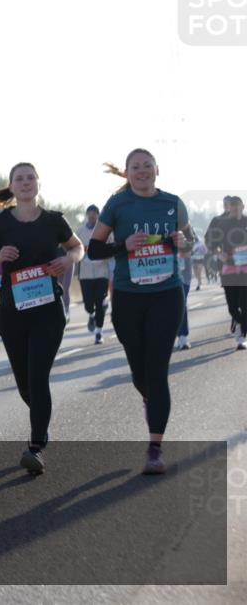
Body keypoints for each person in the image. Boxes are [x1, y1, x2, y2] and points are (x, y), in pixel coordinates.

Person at [0, 162, 83, 475]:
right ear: (12, 186)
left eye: (30, 177)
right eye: (19, 179)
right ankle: (41, 421)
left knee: (37, 376)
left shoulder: (53, 220)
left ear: (38, 184)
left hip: (48, 310)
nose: (26, 182)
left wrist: (66, 258)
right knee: (24, 385)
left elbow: (78, 247)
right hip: (12, 314)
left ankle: (36, 446)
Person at [87, 149, 195, 474]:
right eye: (136, 167)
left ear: (157, 170)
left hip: (166, 294)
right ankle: (148, 396)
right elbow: (94, 249)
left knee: (158, 369)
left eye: (148, 166)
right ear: (128, 173)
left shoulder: (174, 202)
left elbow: (191, 242)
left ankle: (154, 448)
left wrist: (182, 241)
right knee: (140, 371)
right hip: (129, 297)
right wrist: (123, 246)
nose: (142, 171)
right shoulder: (117, 204)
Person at [204, 195, 247, 350]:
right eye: (231, 207)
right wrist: (218, 253)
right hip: (228, 268)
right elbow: (209, 242)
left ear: (243, 206)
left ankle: (242, 335)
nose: (235, 210)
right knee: (232, 306)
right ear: (228, 207)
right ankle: (240, 321)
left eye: (238, 207)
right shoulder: (220, 223)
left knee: (244, 303)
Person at [75, 205, 113, 345]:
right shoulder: (80, 231)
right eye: (89, 216)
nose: (92, 218)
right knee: (88, 304)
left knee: (99, 301)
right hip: (85, 273)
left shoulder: (104, 231)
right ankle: (91, 315)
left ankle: (98, 332)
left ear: (98, 216)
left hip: (101, 272)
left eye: (94, 216)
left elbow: (111, 246)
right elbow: (74, 248)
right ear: (86, 216)